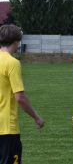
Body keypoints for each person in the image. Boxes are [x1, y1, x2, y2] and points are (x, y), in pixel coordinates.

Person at [0, 25, 44, 164]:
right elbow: (20, 98)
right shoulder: (12, 63)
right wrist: (37, 118)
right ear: (16, 41)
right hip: (6, 128)